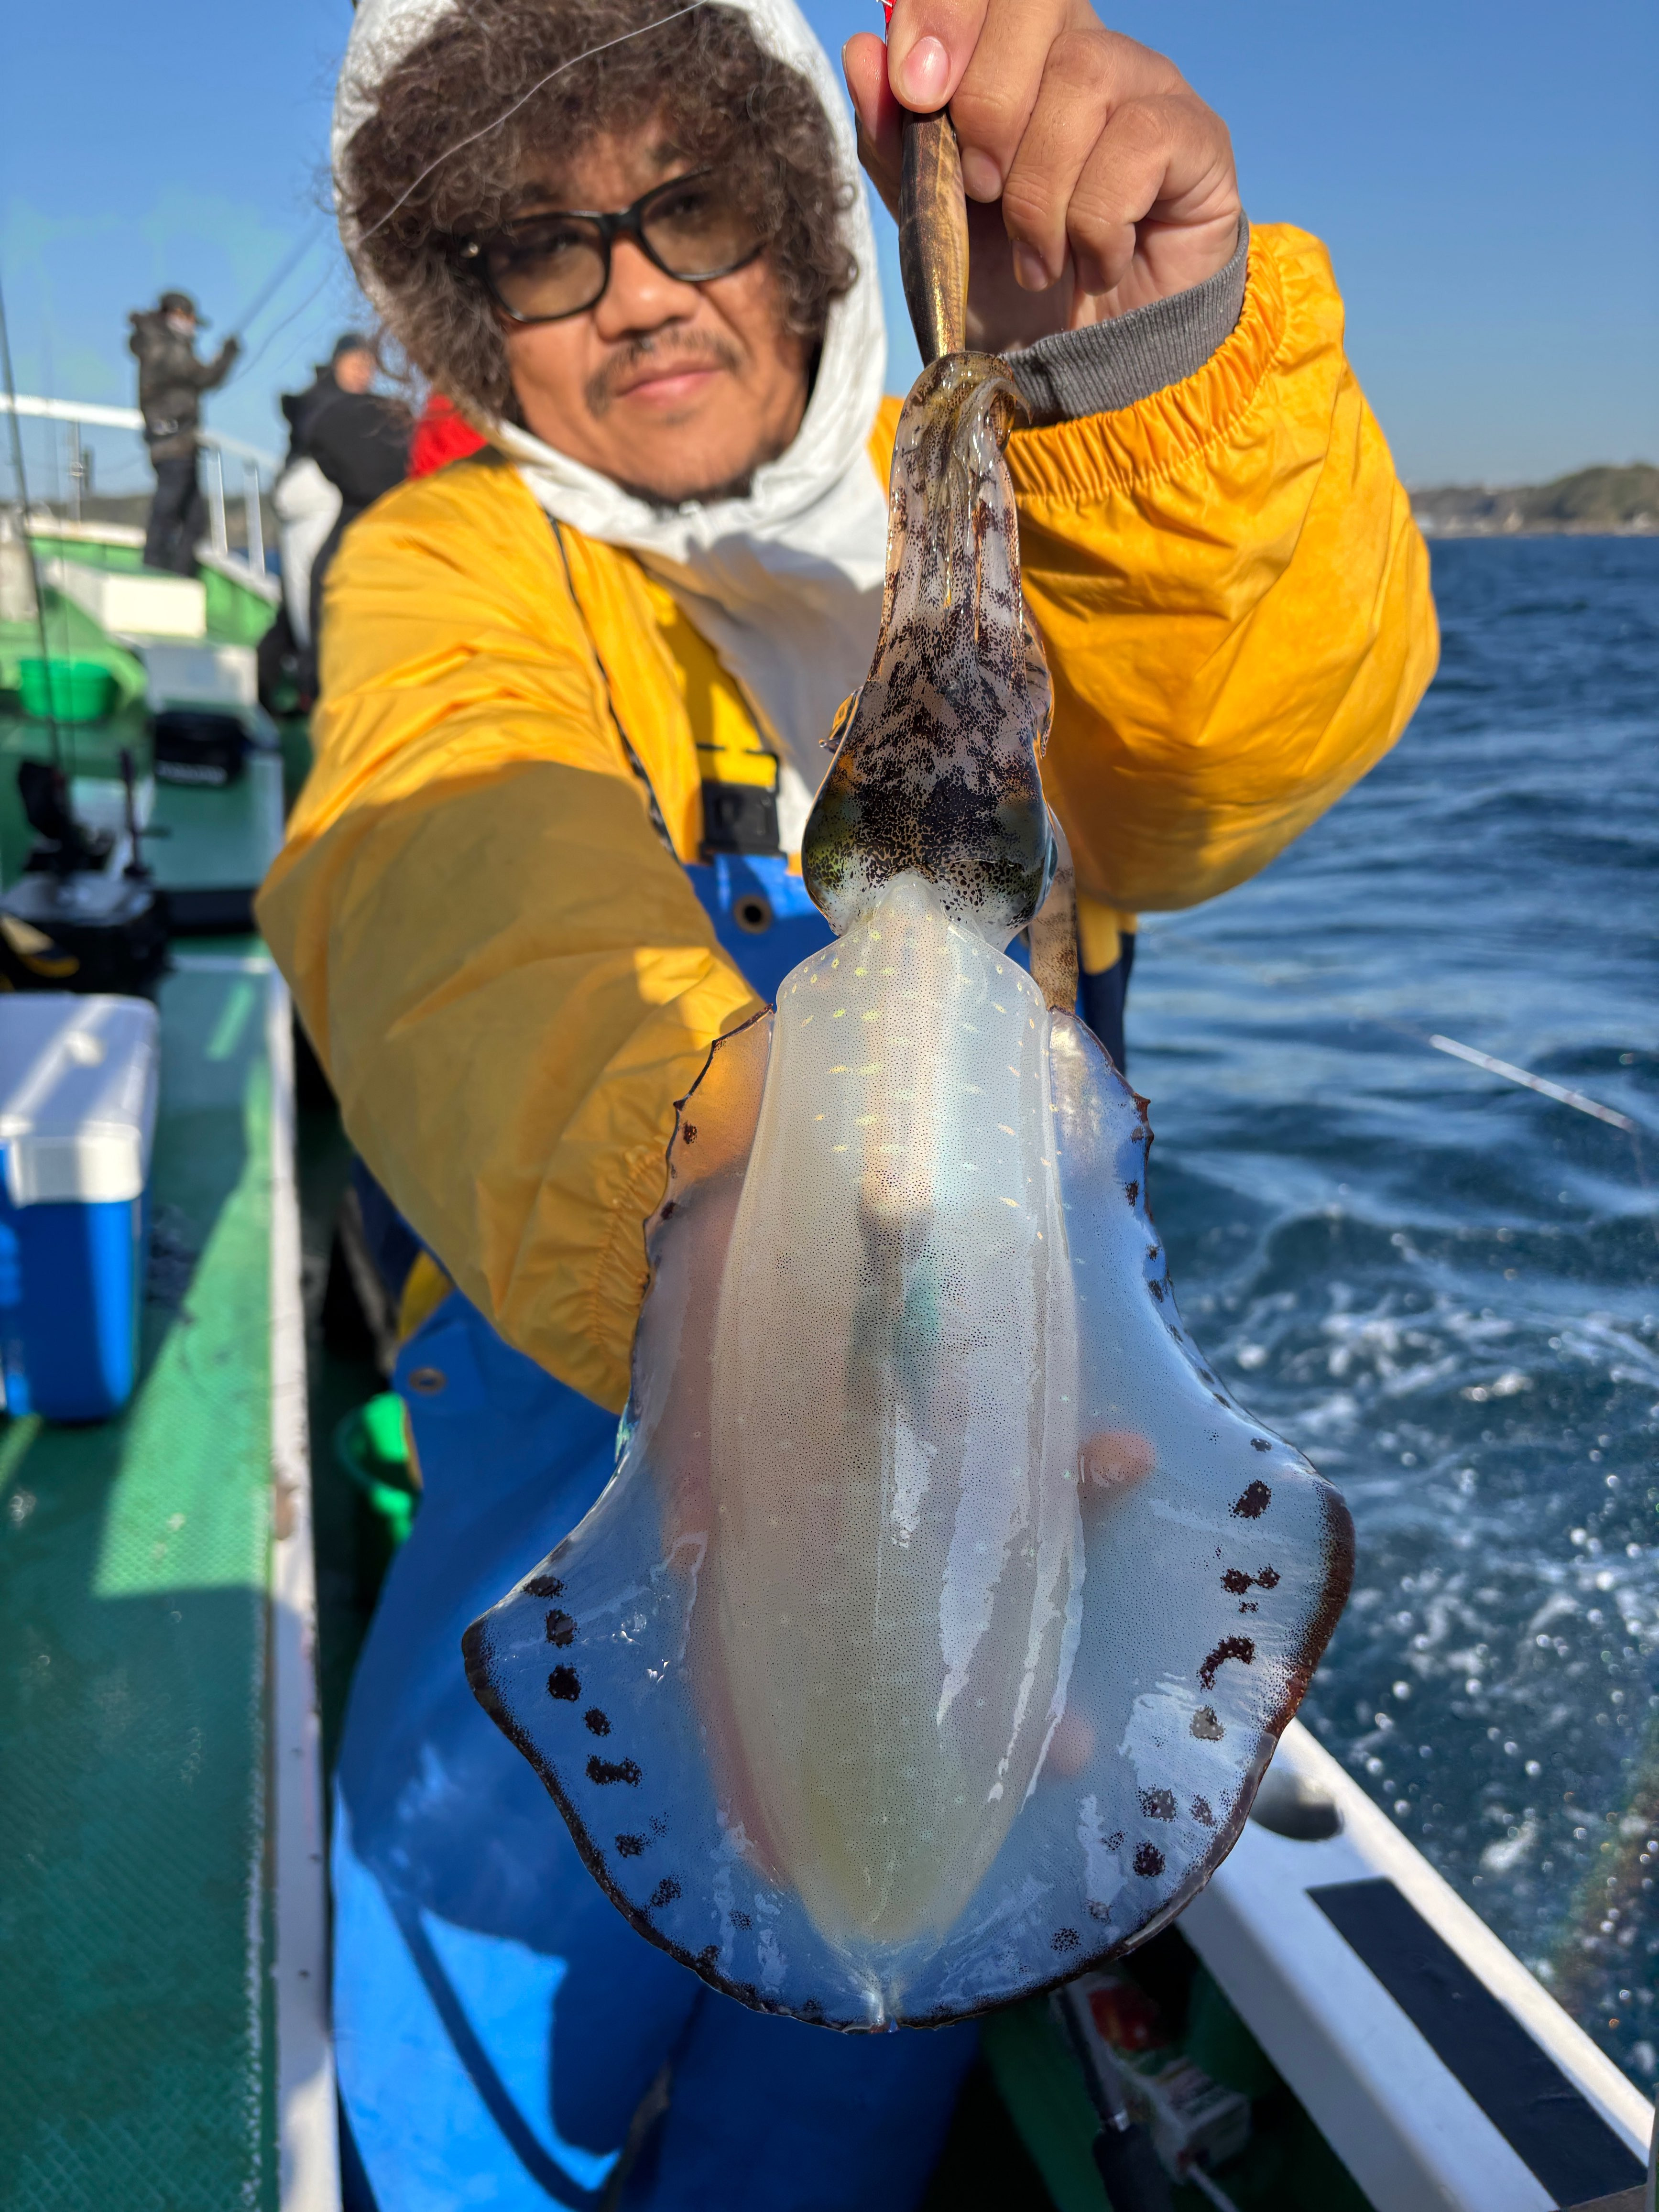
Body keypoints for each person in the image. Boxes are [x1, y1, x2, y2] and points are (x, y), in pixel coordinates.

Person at [257, 0, 1437, 2203]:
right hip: (555, 1433)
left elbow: (1221, 762)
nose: (632, 291)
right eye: (541, 246)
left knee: (844, 2088)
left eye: (689, 205)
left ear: (804, 220)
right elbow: (440, 881)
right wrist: (727, 1216)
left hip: (994, 1462)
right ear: (469, 312)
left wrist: (1143, 375)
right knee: (441, 2111)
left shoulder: (1015, 492)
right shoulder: (461, 565)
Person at [269, 336, 412, 702]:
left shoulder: (367, 411)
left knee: (301, 608)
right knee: (311, 600)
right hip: (321, 520)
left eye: (369, 365)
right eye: (355, 363)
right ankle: (312, 685)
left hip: (352, 522)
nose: (363, 371)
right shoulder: (325, 410)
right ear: (337, 363)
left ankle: (282, 680)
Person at [127, 289, 239, 575]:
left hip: (176, 443)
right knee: (168, 511)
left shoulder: (159, 343)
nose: (191, 326)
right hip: (173, 444)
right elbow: (202, 376)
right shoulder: (165, 345)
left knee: (194, 519)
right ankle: (154, 569)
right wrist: (227, 356)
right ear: (175, 315)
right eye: (188, 318)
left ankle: (177, 574)